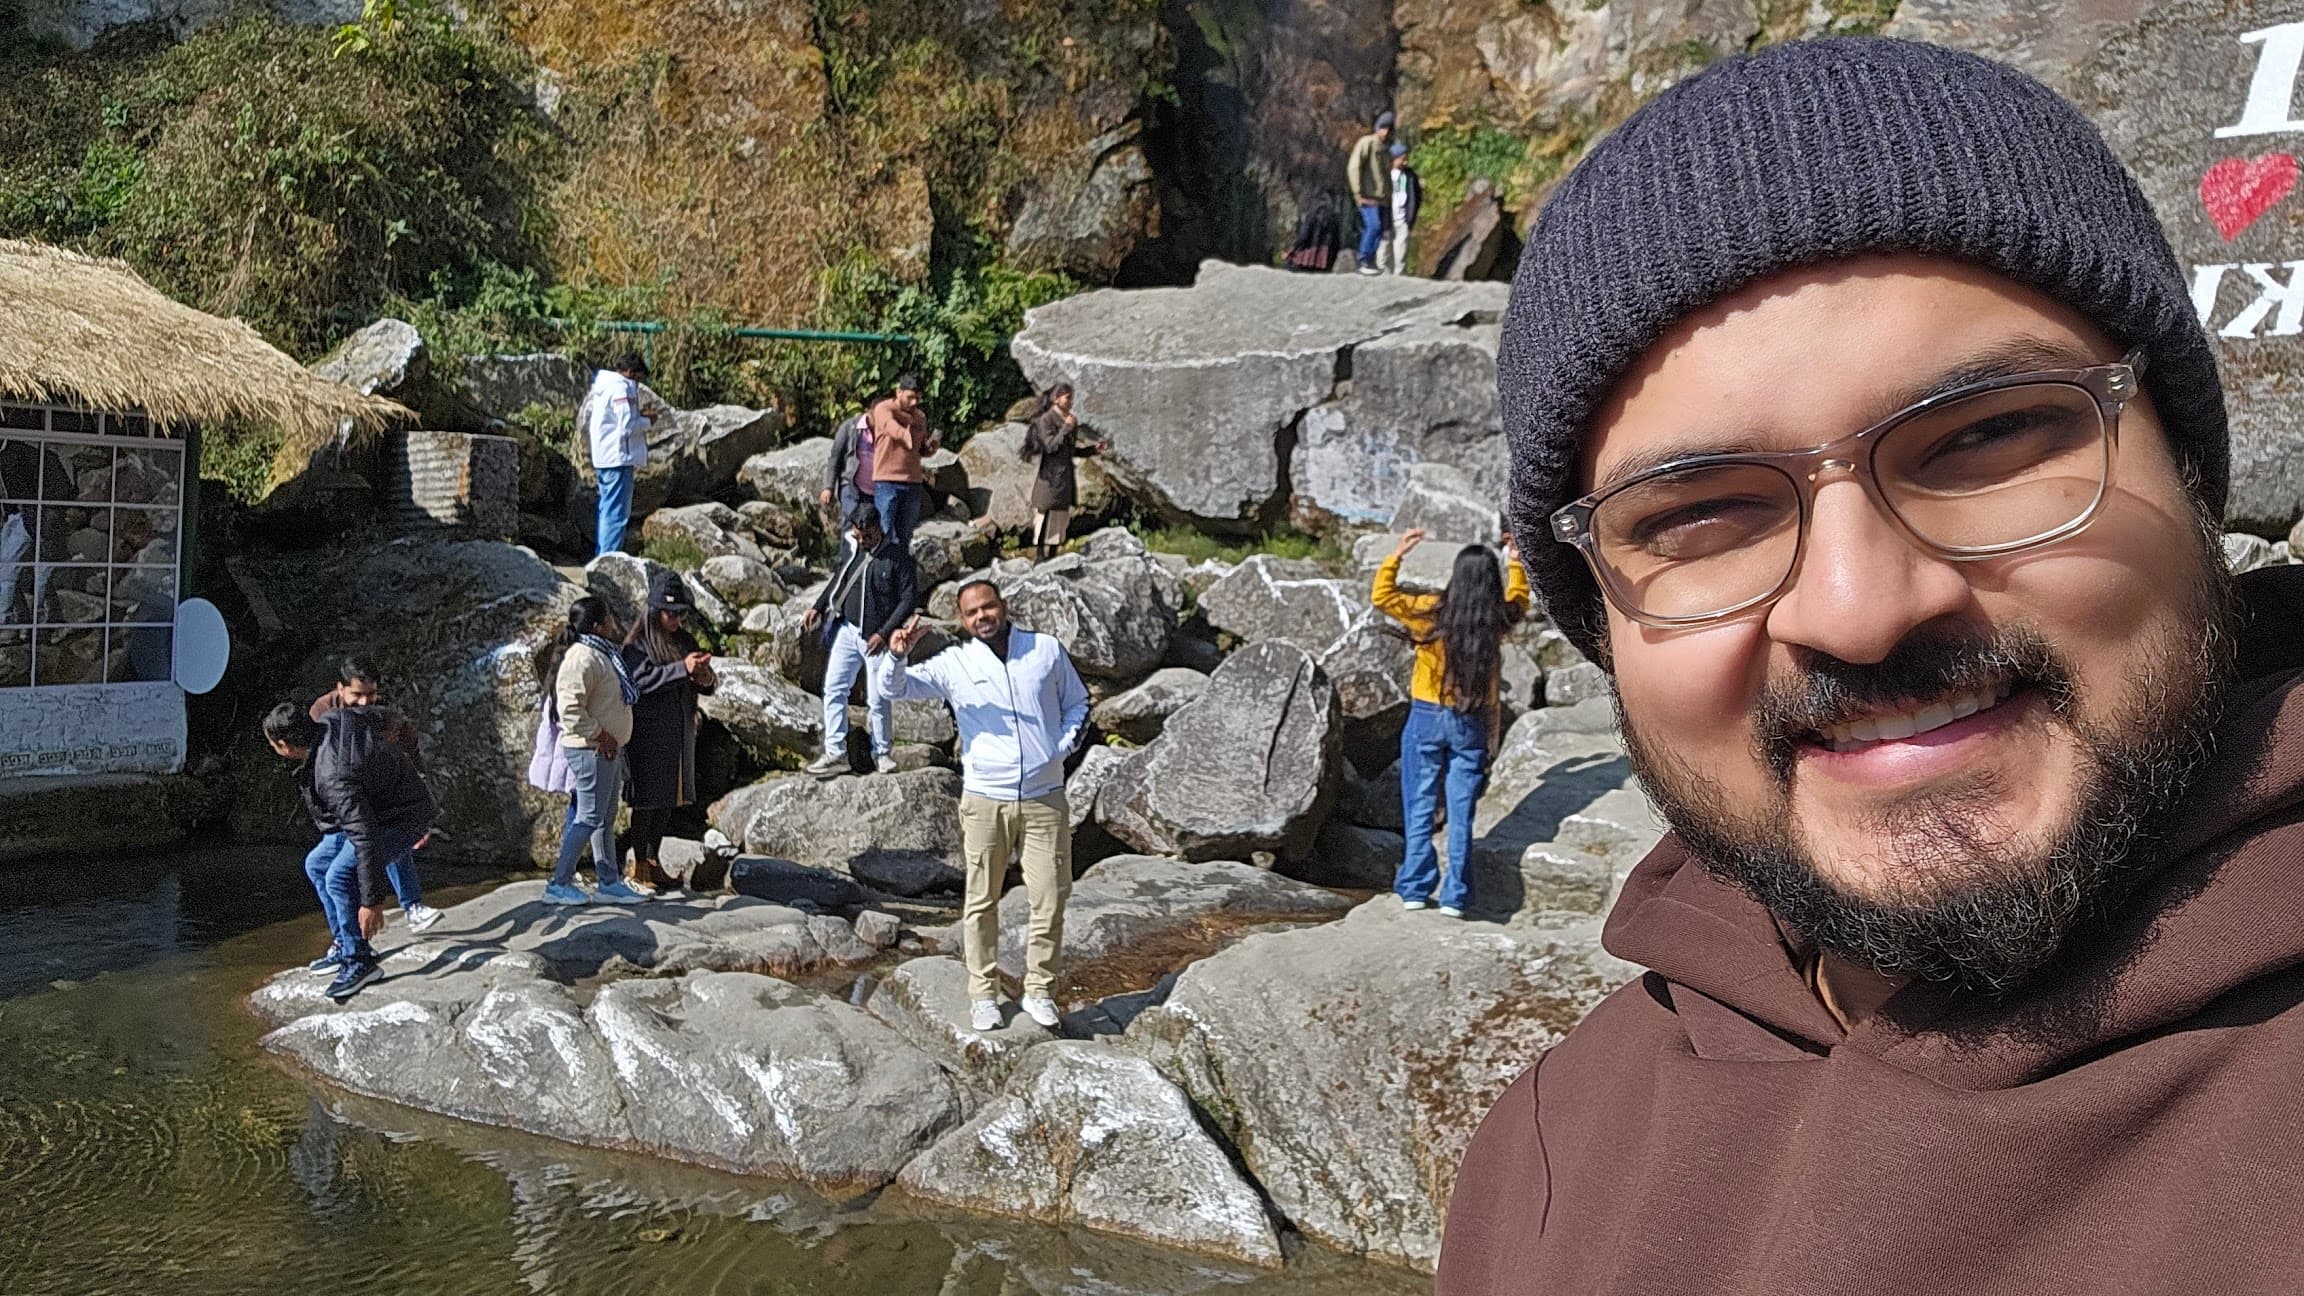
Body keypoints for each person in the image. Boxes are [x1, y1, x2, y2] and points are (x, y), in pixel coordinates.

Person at [1437, 38, 2302, 1295]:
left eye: (1991, 437)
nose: (1858, 609)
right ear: (1601, 616)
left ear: (2187, 467)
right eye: (1698, 515)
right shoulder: (1549, 1148)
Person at [877, 580, 1088, 1032]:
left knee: (1050, 898)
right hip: (984, 799)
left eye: (988, 607)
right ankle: (983, 994)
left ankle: (1040, 989)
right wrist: (897, 654)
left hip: (1044, 798)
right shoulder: (955, 662)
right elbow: (893, 690)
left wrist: (1059, 750)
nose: (982, 617)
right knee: (980, 902)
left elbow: (1079, 703)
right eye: (972, 613)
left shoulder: (1045, 650)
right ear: (963, 620)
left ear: (1003, 606)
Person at [1371, 529, 1528, 917]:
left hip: (1426, 717)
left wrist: (1398, 554)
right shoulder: (1498, 620)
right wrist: (1515, 560)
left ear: (1456, 576)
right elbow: (1520, 598)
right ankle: (1455, 897)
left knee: (1420, 804)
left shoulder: (1430, 612)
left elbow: (1382, 596)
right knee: (1461, 812)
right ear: (1491, 582)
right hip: (1470, 721)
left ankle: (1414, 888)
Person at [265, 699, 435, 1002]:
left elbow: (364, 835)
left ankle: (360, 962)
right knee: (317, 865)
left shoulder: (332, 776)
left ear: (284, 746)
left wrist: (372, 901)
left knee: (339, 877)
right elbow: (385, 716)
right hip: (375, 809)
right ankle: (346, 943)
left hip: (399, 817)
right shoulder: (333, 720)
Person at [309, 657, 440, 933]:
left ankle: (412, 906)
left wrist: (420, 796)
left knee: (390, 837)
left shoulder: (385, 714)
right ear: (340, 688)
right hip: (346, 800)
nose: (365, 702)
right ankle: (345, 937)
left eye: (371, 694)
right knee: (331, 869)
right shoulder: (322, 712)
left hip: (381, 796)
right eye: (357, 695)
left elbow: (411, 752)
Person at [545, 596, 650, 906]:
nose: (614, 623)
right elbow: (570, 709)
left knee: (605, 817)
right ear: (596, 625)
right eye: (608, 618)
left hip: (608, 749)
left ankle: (608, 882)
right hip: (591, 750)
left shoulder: (602, 654)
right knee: (589, 817)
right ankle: (558, 883)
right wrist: (600, 735)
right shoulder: (581, 658)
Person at [804, 506, 918, 777]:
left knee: (879, 698)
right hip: (848, 630)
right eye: (859, 535)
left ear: (879, 529)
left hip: (878, 636)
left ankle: (882, 753)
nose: (863, 541)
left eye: (868, 536)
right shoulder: (853, 549)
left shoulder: (897, 558)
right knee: (833, 688)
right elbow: (839, 580)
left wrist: (885, 632)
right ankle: (836, 752)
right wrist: (818, 607)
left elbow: (908, 599)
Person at [621, 571, 718, 890]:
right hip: (647, 734)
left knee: (667, 800)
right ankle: (637, 865)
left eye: (681, 614)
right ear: (653, 611)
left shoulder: (684, 641)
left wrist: (704, 677)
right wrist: (682, 669)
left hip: (678, 731)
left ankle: (653, 861)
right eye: (670, 613)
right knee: (646, 800)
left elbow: (703, 682)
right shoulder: (637, 645)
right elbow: (639, 682)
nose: (676, 619)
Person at [1018, 383, 1107, 561]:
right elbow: (1050, 447)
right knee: (1044, 514)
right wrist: (1066, 428)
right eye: (1068, 397)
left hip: (1065, 476)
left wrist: (1092, 450)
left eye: (1072, 398)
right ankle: (1039, 555)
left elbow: (1070, 451)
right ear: (1056, 398)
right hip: (1050, 477)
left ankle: (1053, 554)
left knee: (1060, 517)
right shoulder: (1046, 420)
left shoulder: (1071, 420)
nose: (1071, 402)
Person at [583, 354, 653, 557]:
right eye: (638, 380)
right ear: (631, 373)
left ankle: (602, 556)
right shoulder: (622, 387)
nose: (638, 386)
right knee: (617, 513)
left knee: (607, 508)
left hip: (604, 456)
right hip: (618, 457)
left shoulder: (603, 386)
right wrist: (649, 421)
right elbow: (627, 426)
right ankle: (609, 559)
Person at [868, 372, 939, 549]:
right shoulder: (884, 409)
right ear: (898, 392)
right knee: (885, 533)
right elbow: (890, 426)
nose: (914, 402)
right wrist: (903, 434)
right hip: (887, 482)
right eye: (910, 397)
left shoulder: (920, 417)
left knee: (905, 536)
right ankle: (882, 572)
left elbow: (921, 449)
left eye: (918, 398)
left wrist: (931, 448)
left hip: (912, 483)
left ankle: (900, 572)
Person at [1346, 110, 1395, 276]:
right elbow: (1354, 167)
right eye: (1383, 127)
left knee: (1380, 230)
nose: (1386, 132)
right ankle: (1363, 258)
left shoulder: (1386, 150)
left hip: (1382, 199)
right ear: (1377, 128)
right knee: (1373, 226)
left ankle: (1370, 261)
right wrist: (1358, 193)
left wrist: (1389, 198)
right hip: (1367, 196)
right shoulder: (1367, 143)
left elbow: (1386, 177)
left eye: (1389, 128)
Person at [820, 406, 876, 552]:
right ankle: (845, 565)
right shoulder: (849, 427)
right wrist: (828, 487)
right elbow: (835, 458)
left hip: (874, 491)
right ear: (869, 412)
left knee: (871, 530)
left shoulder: (886, 432)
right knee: (852, 525)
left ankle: (865, 569)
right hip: (851, 487)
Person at [1381, 142, 1420, 276]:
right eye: (1402, 159)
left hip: (1402, 219)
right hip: (1387, 218)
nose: (1405, 161)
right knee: (1383, 250)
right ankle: (1382, 276)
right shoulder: (1383, 174)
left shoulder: (1410, 176)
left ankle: (1399, 277)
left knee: (1401, 251)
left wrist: (1410, 218)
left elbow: (1416, 197)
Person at [1284, 190, 1344, 274]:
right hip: (1326, 259)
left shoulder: (1311, 215)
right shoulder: (1333, 218)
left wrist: (1290, 251)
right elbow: (1337, 241)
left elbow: (1304, 236)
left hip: (1308, 258)